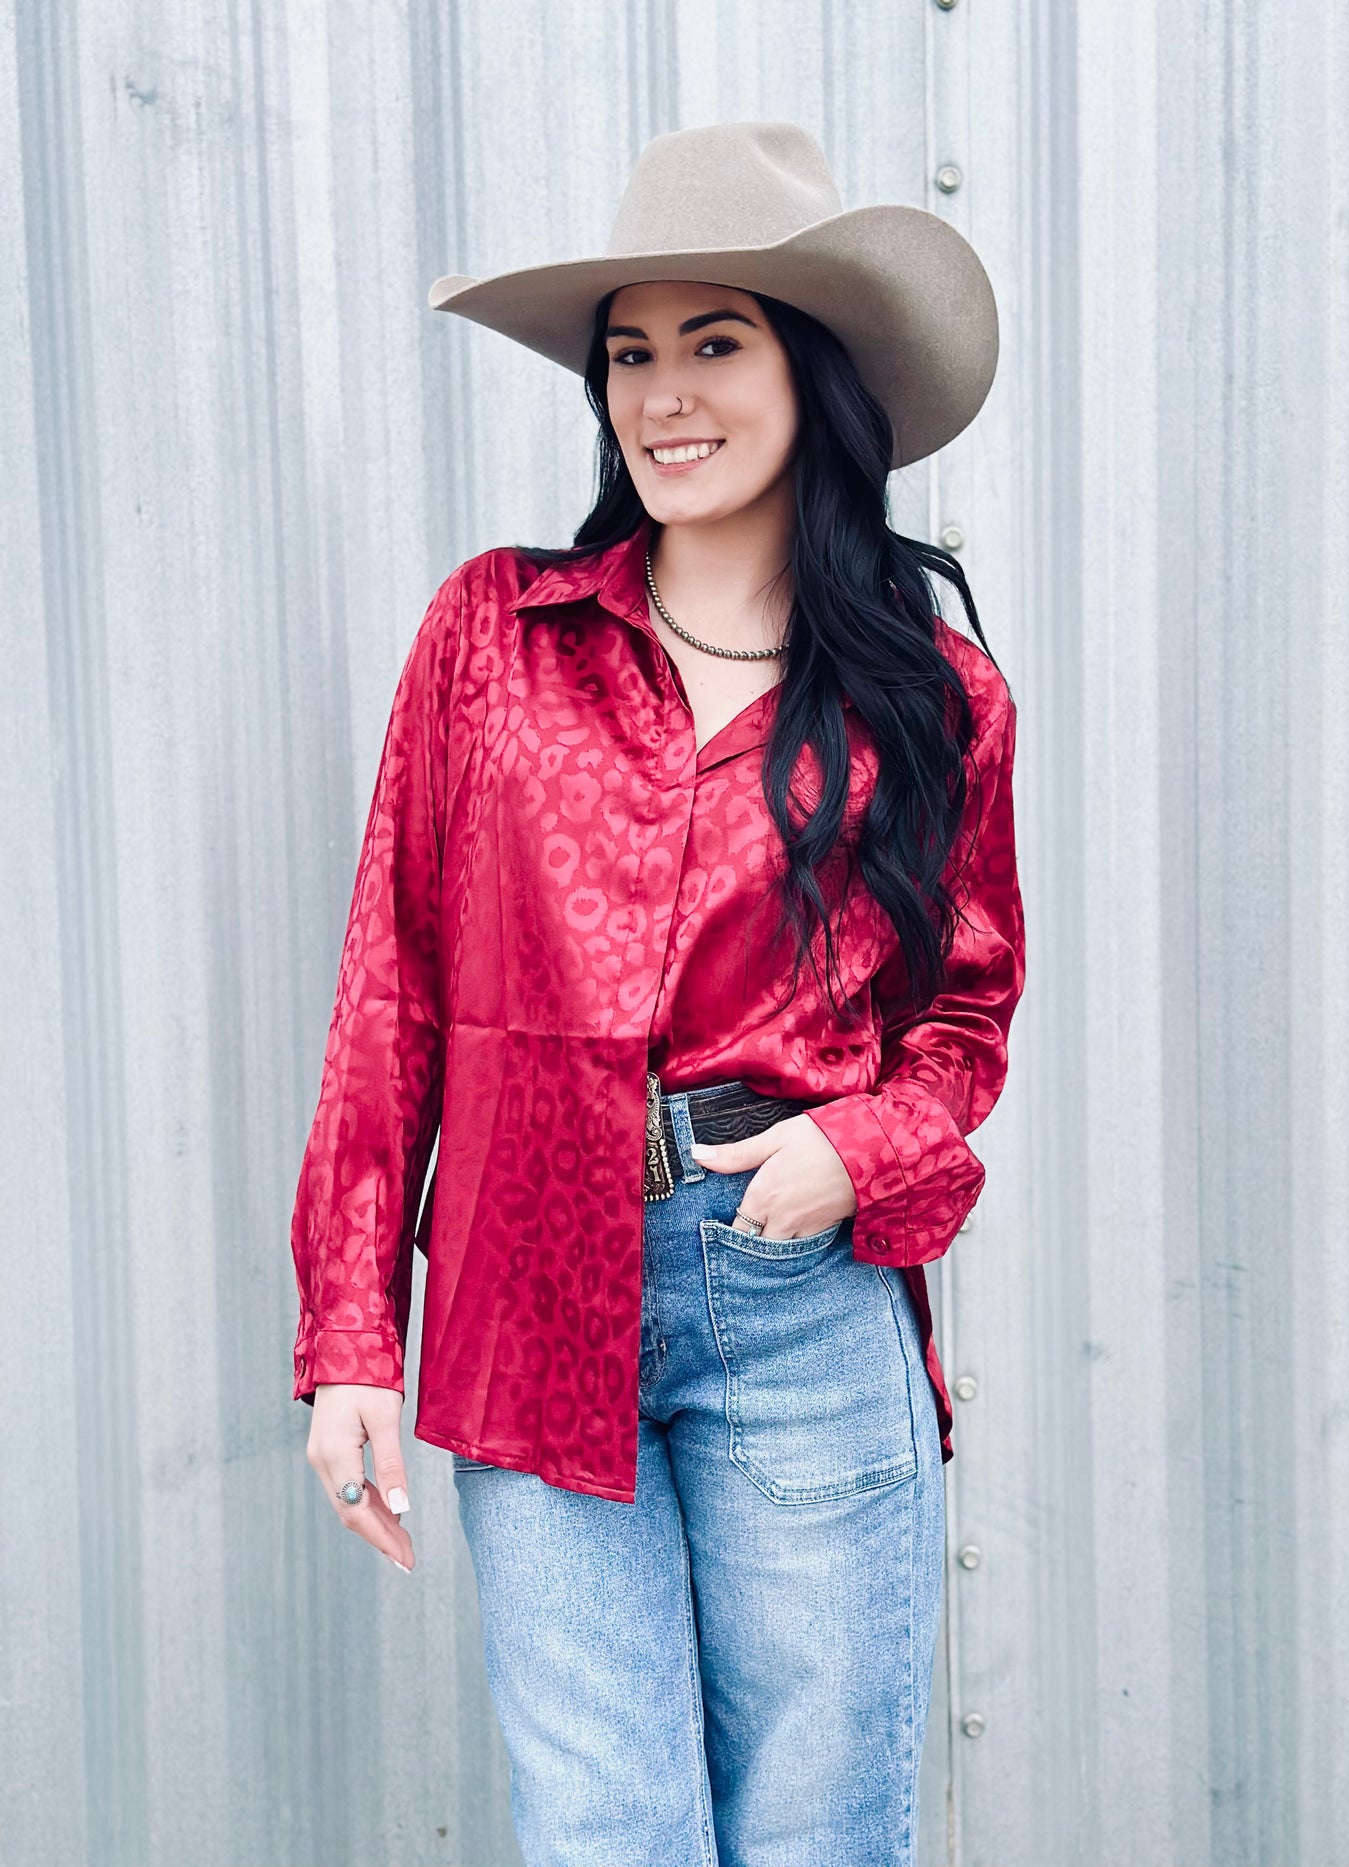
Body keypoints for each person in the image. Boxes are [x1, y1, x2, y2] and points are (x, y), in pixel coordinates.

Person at [290, 121, 1025, 1866]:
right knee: (605, 1831)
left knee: (817, 1831)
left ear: (812, 373)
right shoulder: (494, 636)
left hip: (797, 1278)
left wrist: (859, 1150)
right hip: (522, 1273)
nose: (662, 394)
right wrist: (345, 1339)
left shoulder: (937, 697)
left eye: (717, 342)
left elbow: (964, 1024)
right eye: (632, 350)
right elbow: (390, 982)